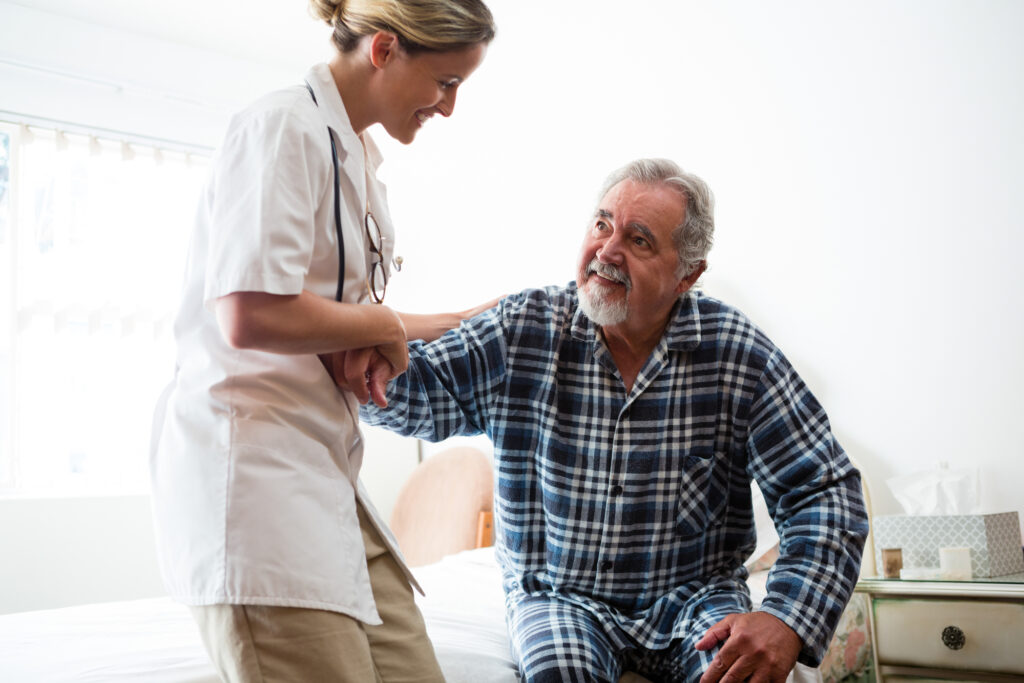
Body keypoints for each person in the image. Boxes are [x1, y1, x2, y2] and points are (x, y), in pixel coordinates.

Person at [346, 158, 869, 682]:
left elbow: (823, 490)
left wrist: (783, 617)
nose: (607, 252)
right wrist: (346, 334)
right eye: (602, 225)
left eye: (639, 240)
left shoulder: (737, 353)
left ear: (688, 274)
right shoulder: (524, 328)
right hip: (560, 596)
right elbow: (413, 388)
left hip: (696, 600)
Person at [149, 1, 495, 681]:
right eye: (446, 82)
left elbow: (338, 315)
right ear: (386, 49)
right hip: (254, 481)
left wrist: (477, 318)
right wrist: (385, 326)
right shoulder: (283, 126)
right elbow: (249, 313)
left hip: (324, 477)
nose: (448, 108)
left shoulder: (357, 155)